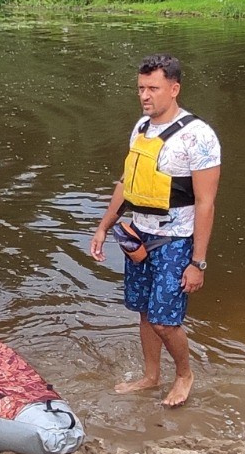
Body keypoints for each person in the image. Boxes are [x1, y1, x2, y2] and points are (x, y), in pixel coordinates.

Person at [89, 54, 221, 407]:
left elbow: (205, 203)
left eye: (153, 88)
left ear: (174, 89)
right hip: (139, 236)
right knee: (145, 311)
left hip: (176, 241)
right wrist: (103, 227)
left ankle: (184, 375)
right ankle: (151, 376)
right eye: (141, 88)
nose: (145, 96)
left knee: (165, 321)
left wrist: (198, 263)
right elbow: (127, 183)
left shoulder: (199, 137)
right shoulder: (141, 128)